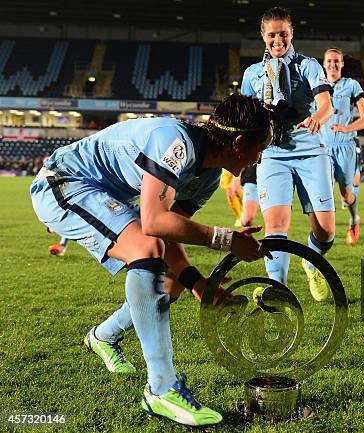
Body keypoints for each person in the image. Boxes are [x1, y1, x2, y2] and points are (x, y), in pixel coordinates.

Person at [30, 94, 273, 428]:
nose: (259, 159)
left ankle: (103, 336)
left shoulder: (209, 177)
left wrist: (198, 285)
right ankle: (162, 389)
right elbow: (155, 224)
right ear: (239, 142)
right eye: (260, 148)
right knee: (146, 251)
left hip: (103, 195)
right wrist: (227, 240)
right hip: (64, 184)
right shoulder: (176, 143)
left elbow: (167, 235)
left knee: (170, 279)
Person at [241, 7, 335, 301]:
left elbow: (325, 103)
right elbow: (244, 113)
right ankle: (278, 289)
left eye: (283, 33)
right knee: (276, 225)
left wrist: (318, 117)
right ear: (263, 36)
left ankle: (310, 261)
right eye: (272, 34)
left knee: (326, 233)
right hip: (272, 154)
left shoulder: (308, 66)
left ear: (291, 33)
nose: (278, 40)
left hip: (309, 150)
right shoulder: (252, 74)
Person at [321, 47, 364, 246]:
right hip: (323, 147)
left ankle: (353, 219)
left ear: (341, 64)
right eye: (329, 61)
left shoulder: (351, 85)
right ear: (324, 64)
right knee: (324, 190)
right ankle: (324, 233)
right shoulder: (316, 85)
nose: (332, 64)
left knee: (346, 194)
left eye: (336, 61)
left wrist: (345, 127)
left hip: (345, 147)